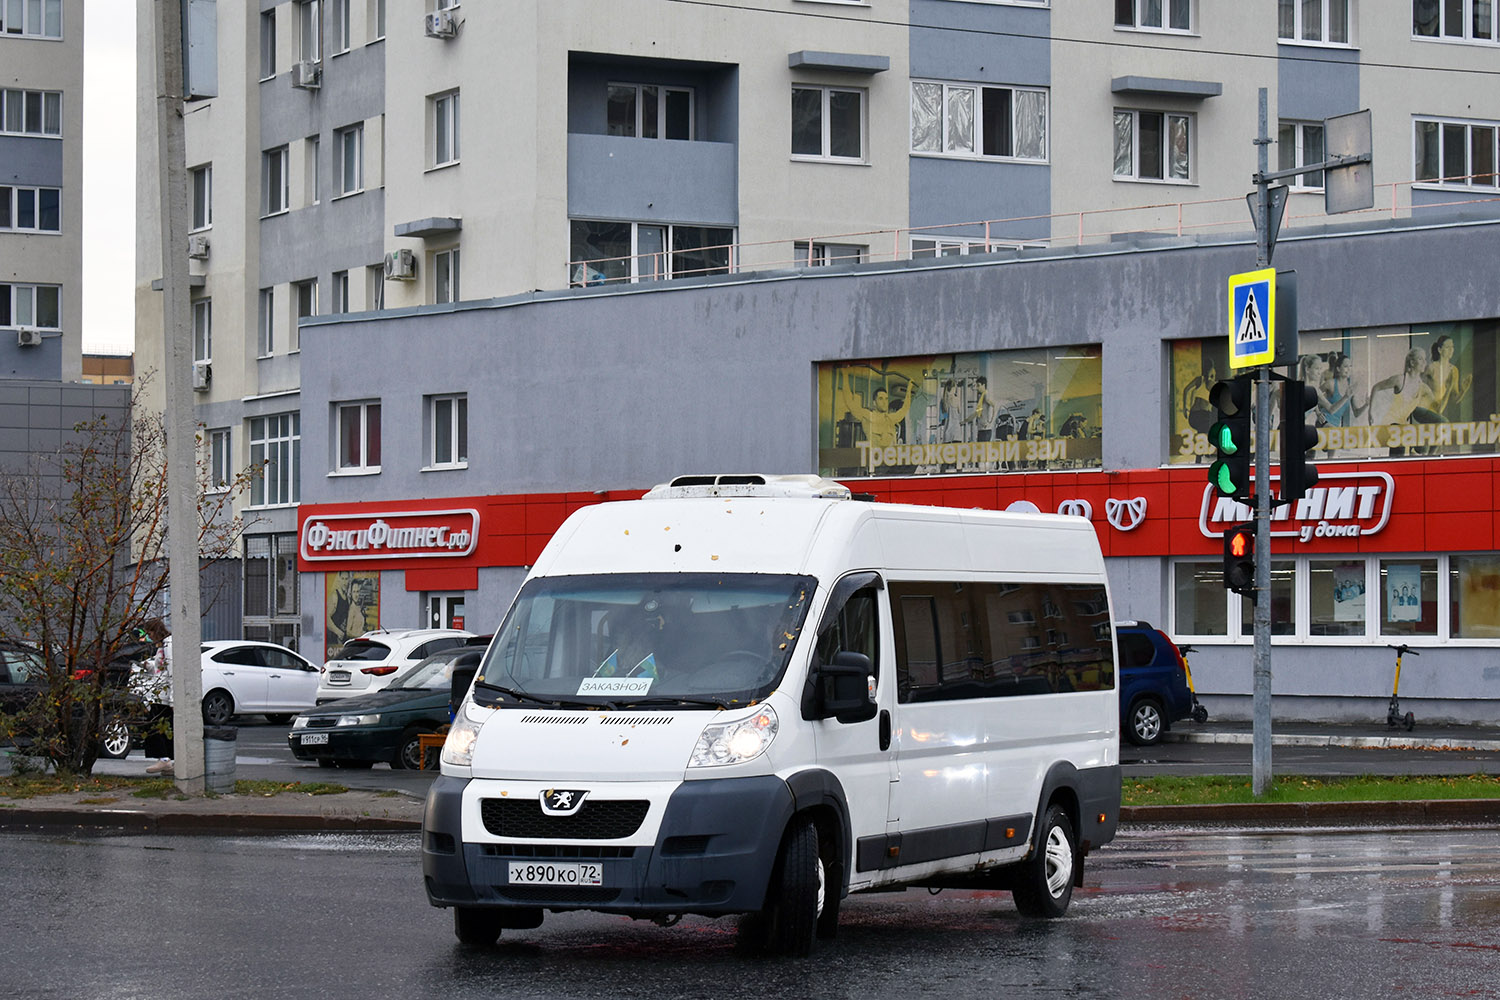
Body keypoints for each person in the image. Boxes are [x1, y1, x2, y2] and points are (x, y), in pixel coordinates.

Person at [140, 622, 173, 775]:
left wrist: (173, 698)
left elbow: (171, 670)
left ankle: (165, 759)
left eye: (149, 632)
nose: (149, 636)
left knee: (158, 726)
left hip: (163, 695)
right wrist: (150, 666)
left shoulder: (169, 644)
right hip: (158, 693)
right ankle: (165, 759)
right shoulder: (162, 646)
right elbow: (161, 669)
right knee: (157, 726)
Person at [1422, 335, 1471, 420]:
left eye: (1452, 347)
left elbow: (1455, 399)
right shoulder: (1431, 368)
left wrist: (1463, 390)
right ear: (1440, 350)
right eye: (1448, 347)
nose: (1451, 350)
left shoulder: (1454, 370)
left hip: (1439, 410)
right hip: (1426, 410)